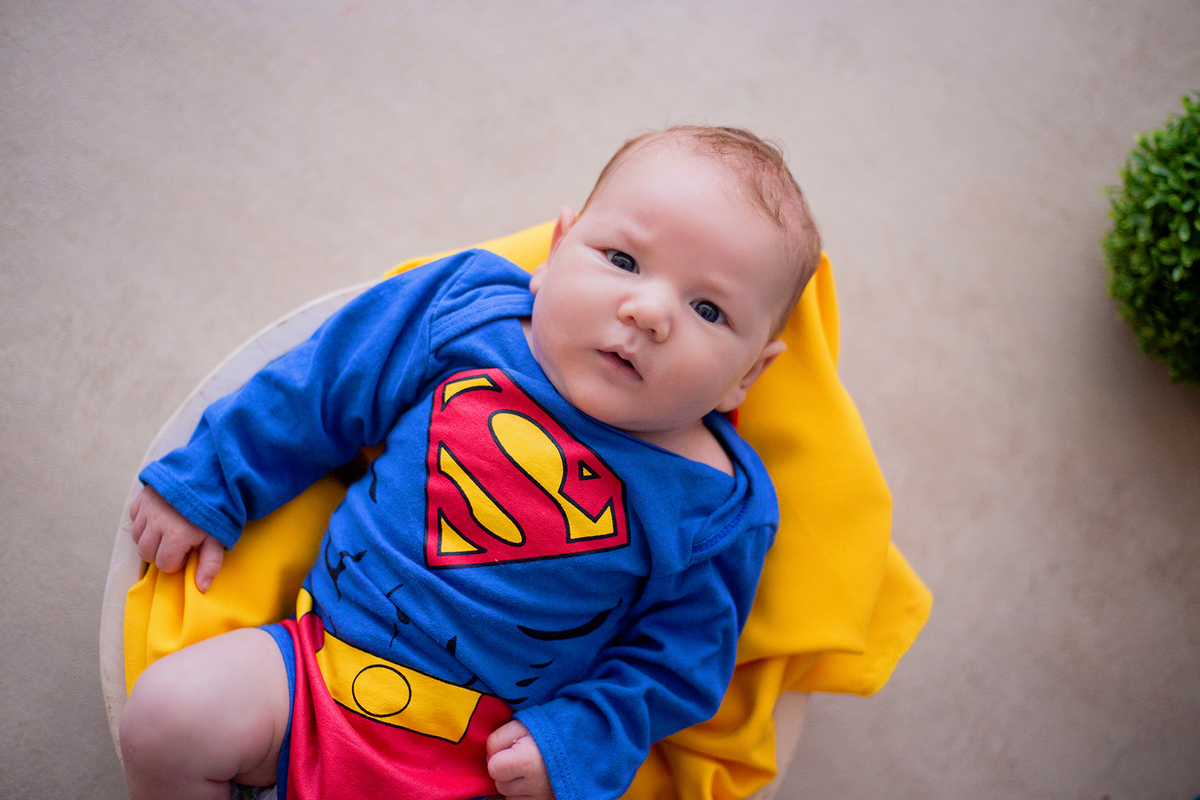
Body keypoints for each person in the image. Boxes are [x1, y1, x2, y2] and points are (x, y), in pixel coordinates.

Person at [119, 126, 822, 800]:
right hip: (311, 671)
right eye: (622, 260)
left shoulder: (717, 504)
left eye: (707, 308)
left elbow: (680, 662)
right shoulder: (467, 313)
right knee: (167, 716)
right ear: (556, 248)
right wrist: (213, 478)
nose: (647, 311)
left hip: (478, 762)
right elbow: (323, 383)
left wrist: (577, 741)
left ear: (747, 376)